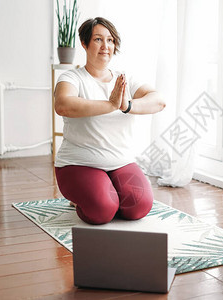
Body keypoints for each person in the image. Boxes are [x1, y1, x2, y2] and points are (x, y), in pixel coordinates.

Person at [54, 17, 166, 225]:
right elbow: (63, 105)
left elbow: (159, 101)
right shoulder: (72, 78)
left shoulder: (125, 79)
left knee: (138, 207)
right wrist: (111, 104)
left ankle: (108, 191)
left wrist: (127, 105)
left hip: (120, 161)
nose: (106, 46)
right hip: (79, 163)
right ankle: (80, 199)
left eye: (110, 40)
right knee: (102, 210)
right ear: (85, 43)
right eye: (98, 39)